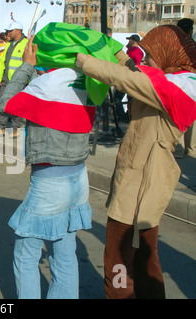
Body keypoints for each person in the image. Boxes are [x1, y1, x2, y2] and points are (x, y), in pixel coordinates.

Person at [1, 23, 125, 298]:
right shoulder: (88, 81)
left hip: (49, 181)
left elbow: (6, 104)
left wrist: (25, 67)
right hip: (78, 177)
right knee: (64, 251)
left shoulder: (46, 84)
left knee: (25, 252)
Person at [76, 25, 196, 298]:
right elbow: (138, 72)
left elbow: (133, 81)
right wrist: (116, 51)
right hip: (142, 180)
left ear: (168, 53)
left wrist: (88, 64)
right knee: (145, 260)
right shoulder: (172, 80)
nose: (148, 59)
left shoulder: (181, 88)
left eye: (151, 54)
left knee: (119, 262)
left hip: (140, 183)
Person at [0, 21, 28, 138]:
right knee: (1, 104)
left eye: (10, 31)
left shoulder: (26, 44)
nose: (8, 33)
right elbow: (3, 62)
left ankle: (15, 128)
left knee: (17, 105)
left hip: (19, 81)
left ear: (18, 31)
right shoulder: (8, 44)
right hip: (6, 80)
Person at [175, 18, 195, 157]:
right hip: (191, 84)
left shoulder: (170, 44)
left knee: (175, 116)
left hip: (174, 83)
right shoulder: (193, 46)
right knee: (192, 119)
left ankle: (176, 149)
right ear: (190, 31)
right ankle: (190, 149)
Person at [114, 34, 144, 123]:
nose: (128, 42)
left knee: (117, 97)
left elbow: (126, 63)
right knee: (130, 98)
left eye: (129, 40)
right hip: (134, 77)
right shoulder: (140, 51)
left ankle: (122, 116)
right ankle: (129, 115)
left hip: (127, 77)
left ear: (133, 41)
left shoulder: (132, 51)